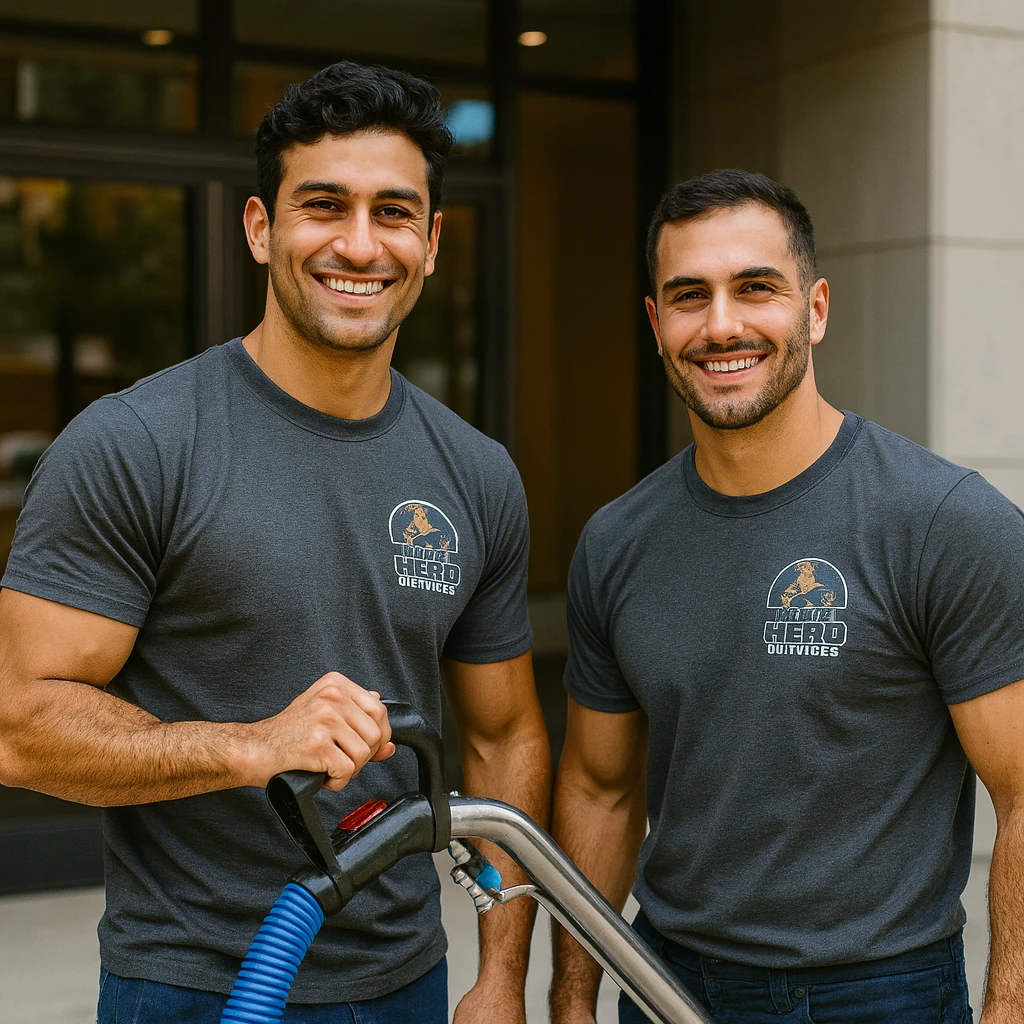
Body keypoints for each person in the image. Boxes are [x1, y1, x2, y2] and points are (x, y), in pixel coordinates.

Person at [0, 62, 551, 1024]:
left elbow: (505, 735)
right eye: (323, 206)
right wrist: (247, 746)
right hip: (194, 983)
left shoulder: (475, 474)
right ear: (260, 228)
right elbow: (19, 725)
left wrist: (501, 971)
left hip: (405, 979)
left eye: (393, 212)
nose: (357, 243)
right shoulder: (138, 445)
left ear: (430, 242)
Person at [549, 169, 1024, 1024]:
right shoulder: (616, 543)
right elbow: (599, 789)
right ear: (656, 326)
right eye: (689, 296)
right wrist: (574, 997)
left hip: (882, 994)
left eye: (756, 288)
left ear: (816, 309)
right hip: (664, 982)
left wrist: (1009, 1009)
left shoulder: (944, 523)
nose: (721, 324)